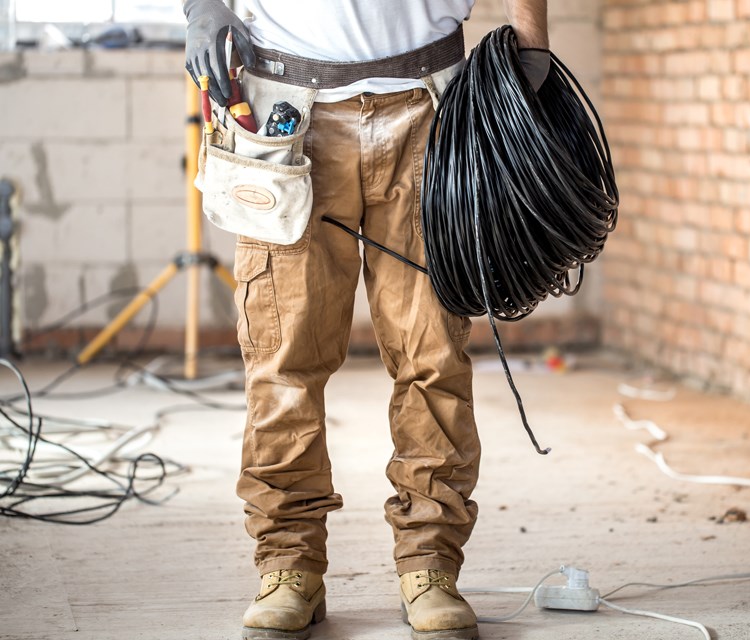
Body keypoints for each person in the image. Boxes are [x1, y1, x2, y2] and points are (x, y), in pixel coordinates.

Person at [182, 1, 550, 639]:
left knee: (431, 354)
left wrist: (533, 40)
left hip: (432, 111)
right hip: (284, 113)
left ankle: (430, 562)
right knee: (283, 358)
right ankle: (288, 564)